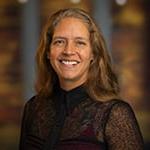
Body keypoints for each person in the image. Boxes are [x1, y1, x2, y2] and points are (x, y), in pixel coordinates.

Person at [19, 8, 144, 150]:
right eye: (59, 42)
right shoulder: (33, 108)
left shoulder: (114, 114)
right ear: (48, 52)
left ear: (93, 54)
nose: (68, 51)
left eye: (80, 42)